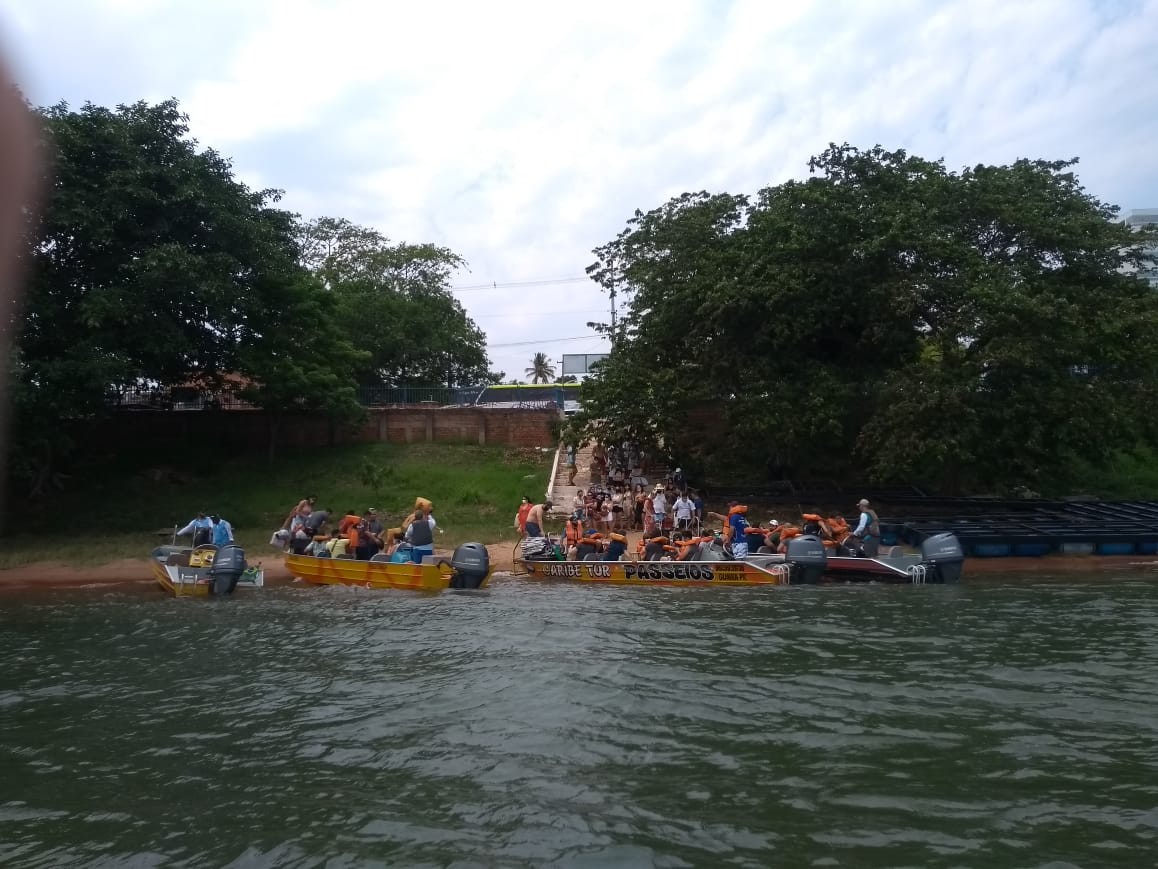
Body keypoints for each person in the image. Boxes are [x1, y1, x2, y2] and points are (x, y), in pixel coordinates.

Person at [404, 499, 437, 564]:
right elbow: (434, 522)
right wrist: (428, 514)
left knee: (417, 567)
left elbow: (407, 536)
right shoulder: (429, 523)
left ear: (415, 517)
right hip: (428, 549)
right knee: (427, 566)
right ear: (422, 516)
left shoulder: (412, 526)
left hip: (417, 549)